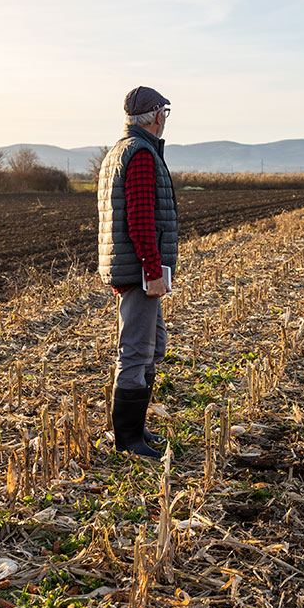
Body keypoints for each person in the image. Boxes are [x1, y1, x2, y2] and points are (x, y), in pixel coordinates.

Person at [97, 86, 178, 459]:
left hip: (133, 268)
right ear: (157, 116)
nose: (165, 119)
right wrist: (152, 269)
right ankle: (127, 439)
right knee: (136, 351)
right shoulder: (141, 155)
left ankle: (136, 426)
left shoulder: (120, 150)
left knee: (153, 346)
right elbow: (141, 219)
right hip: (140, 271)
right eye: (165, 112)